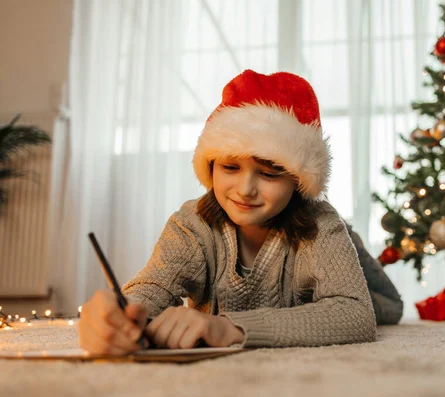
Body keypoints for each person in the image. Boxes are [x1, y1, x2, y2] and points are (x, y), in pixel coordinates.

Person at [78, 70, 400, 355]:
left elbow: (357, 315)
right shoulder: (190, 226)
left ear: (297, 180)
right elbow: (151, 289)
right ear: (211, 166)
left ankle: (350, 240)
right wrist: (121, 316)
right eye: (230, 167)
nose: (245, 189)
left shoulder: (321, 224)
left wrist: (229, 328)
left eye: (269, 174)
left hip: (342, 252)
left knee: (389, 307)